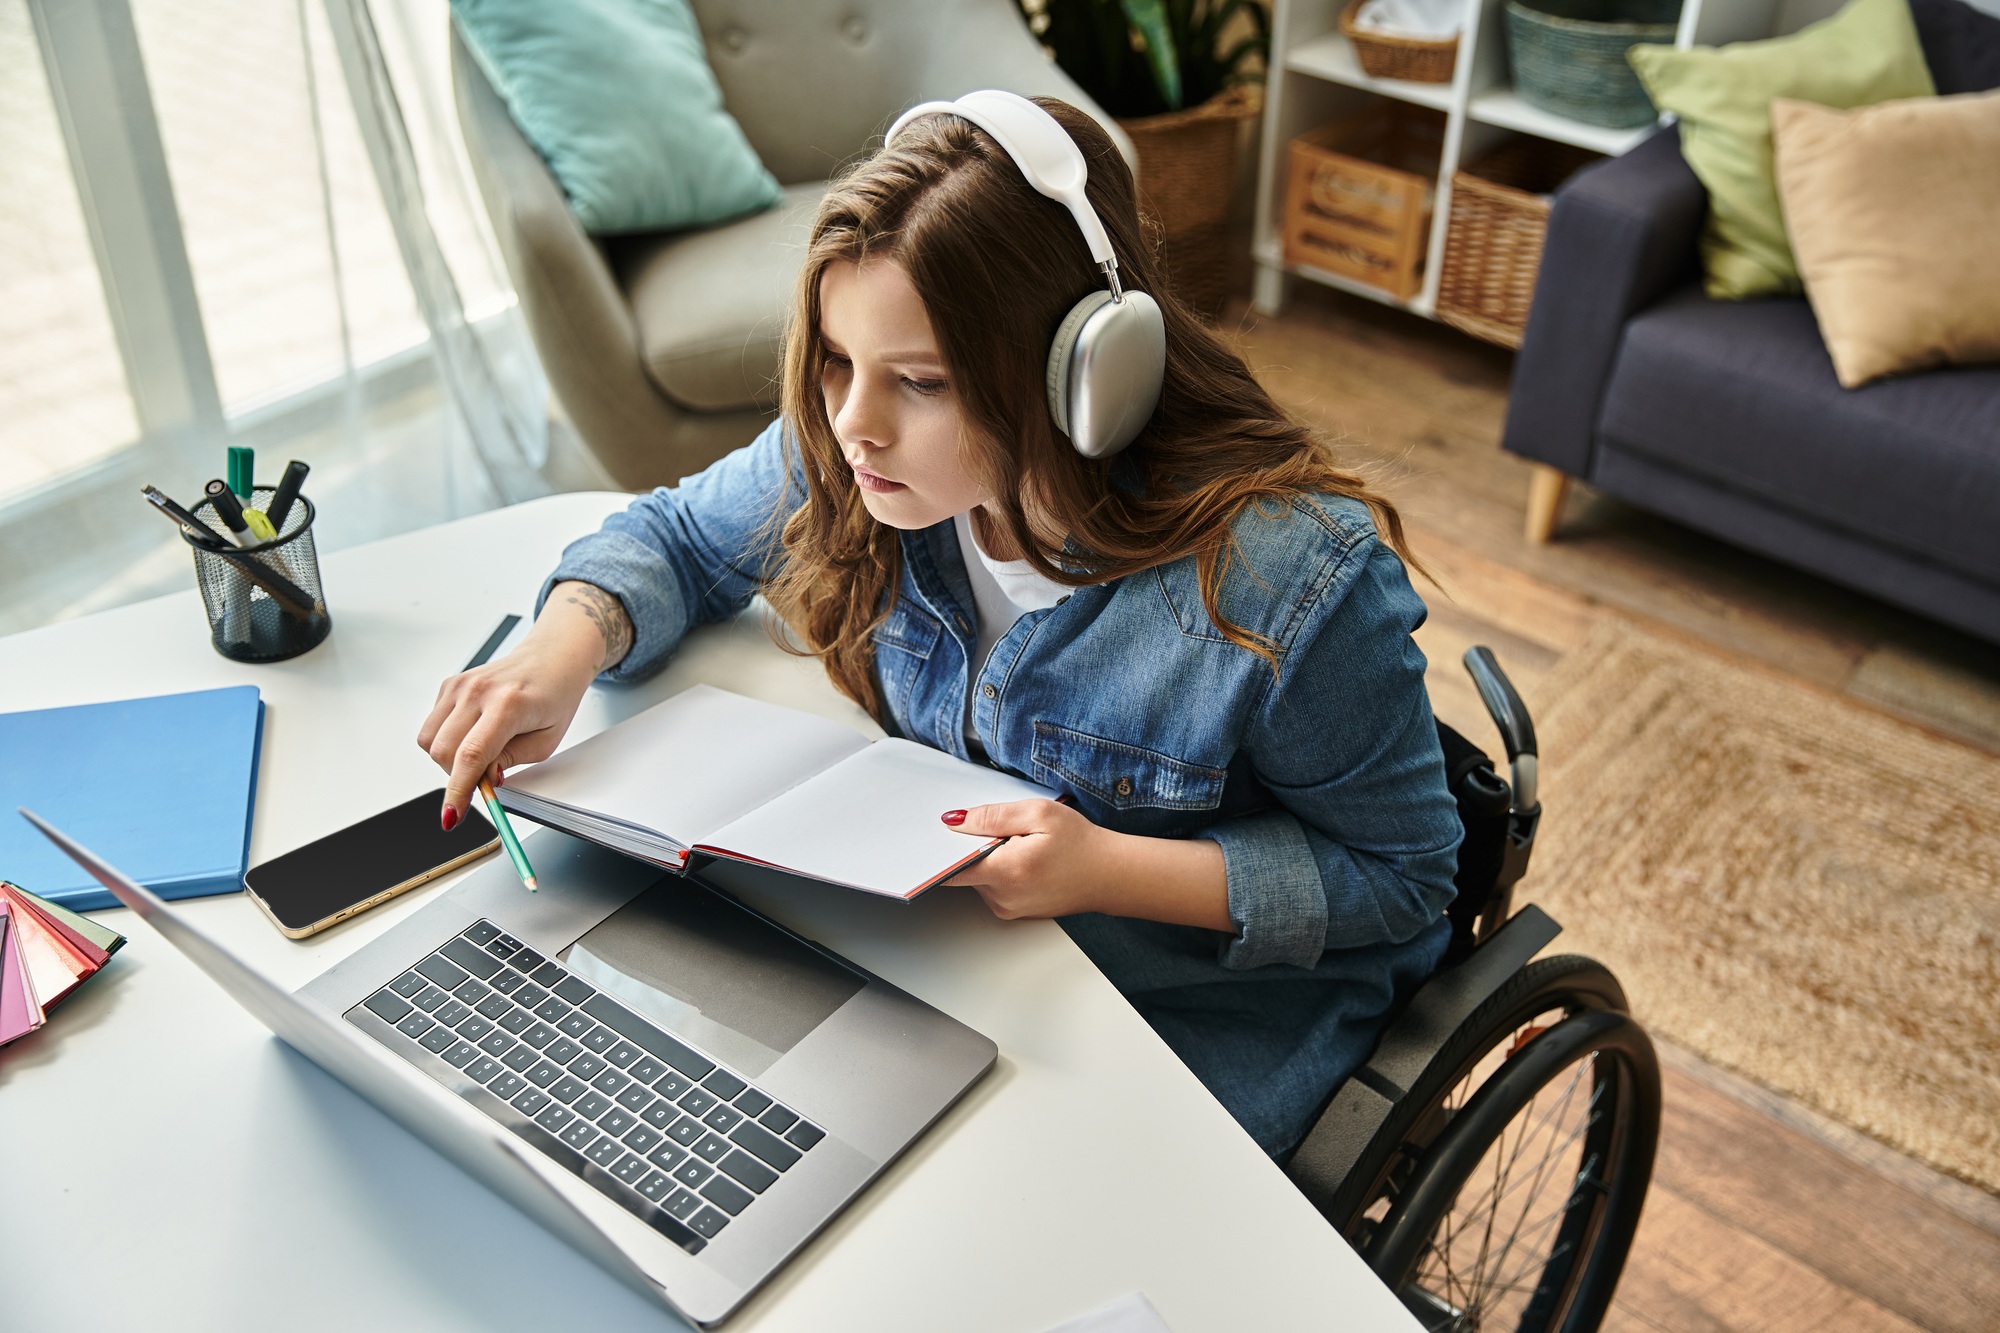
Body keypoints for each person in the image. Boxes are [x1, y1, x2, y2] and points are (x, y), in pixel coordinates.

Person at [418, 96, 1461, 1159]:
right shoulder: (864, 451)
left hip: (1195, 1003)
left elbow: (1404, 878)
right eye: (835, 359)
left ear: (1085, 373)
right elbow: (679, 535)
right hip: (954, 969)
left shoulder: (1290, 583)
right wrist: (558, 651)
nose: (851, 421)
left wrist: (1101, 868)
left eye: (919, 381)